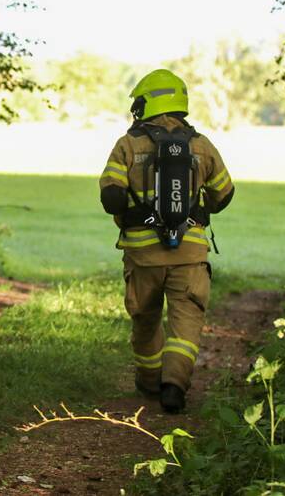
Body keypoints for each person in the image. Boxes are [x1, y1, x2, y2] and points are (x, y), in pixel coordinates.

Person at [98, 68, 234, 413]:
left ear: (148, 103)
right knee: (185, 322)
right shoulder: (201, 145)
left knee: (145, 320)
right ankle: (174, 384)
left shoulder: (128, 144)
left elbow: (111, 198)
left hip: (143, 256)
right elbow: (224, 193)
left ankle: (148, 382)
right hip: (189, 254)